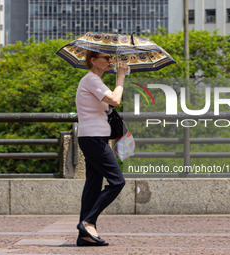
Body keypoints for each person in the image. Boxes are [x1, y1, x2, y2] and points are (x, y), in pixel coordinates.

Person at [75, 50, 128, 246]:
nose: (110, 61)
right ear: (93, 60)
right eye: (106, 58)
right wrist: (121, 78)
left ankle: (85, 236)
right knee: (117, 181)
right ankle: (88, 222)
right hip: (94, 138)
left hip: (94, 138)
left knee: (93, 184)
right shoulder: (91, 80)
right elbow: (115, 99)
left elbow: (106, 106)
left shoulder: (95, 82)